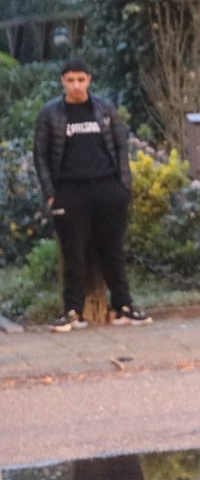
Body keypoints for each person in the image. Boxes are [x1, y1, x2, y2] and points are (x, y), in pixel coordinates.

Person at [33, 58, 151, 331]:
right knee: (74, 253)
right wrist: (51, 194)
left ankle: (123, 306)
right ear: (63, 81)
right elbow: (40, 155)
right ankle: (73, 311)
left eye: (81, 79)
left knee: (113, 251)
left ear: (89, 80)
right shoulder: (50, 113)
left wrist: (124, 186)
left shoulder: (105, 108)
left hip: (108, 188)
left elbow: (122, 147)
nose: (76, 85)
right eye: (70, 80)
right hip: (69, 191)